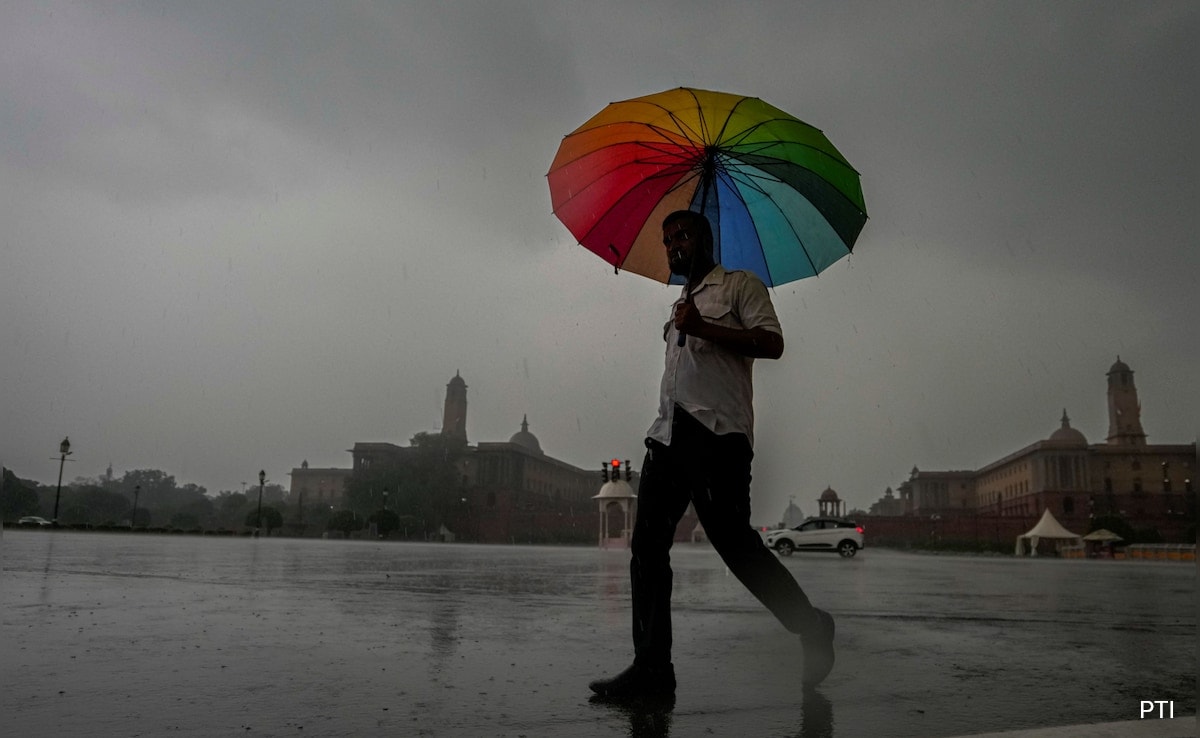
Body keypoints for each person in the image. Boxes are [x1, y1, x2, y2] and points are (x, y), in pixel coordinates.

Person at [589, 210, 836, 704]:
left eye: (683, 234)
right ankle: (653, 670)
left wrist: (705, 327)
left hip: (719, 437)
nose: (674, 244)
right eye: (668, 239)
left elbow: (772, 343)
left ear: (705, 238)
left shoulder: (741, 286)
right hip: (669, 436)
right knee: (647, 549)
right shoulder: (679, 304)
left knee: (736, 547)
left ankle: (812, 625)